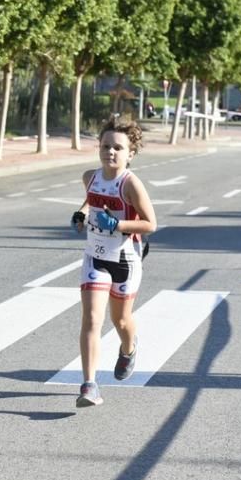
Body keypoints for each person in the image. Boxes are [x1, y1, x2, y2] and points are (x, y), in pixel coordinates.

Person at [70, 115, 157, 407]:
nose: (110, 152)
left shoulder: (130, 184)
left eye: (118, 148)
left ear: (130, 153)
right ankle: (89, 385)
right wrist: (81, 213)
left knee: (120, 320)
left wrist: (116, 226)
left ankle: (129, 347)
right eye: (106, 145)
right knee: (91, 319)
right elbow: (91, 198)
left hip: (125, 260)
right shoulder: (90, 177)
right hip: (95, 257)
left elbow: (150, 224)